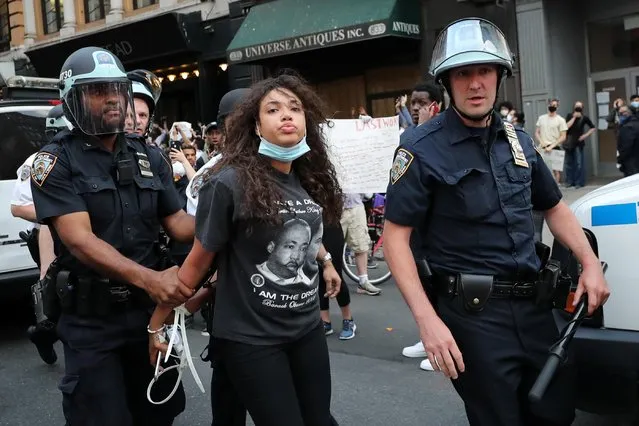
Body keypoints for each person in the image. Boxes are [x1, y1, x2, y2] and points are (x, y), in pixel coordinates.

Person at [383, 18, 610, 426]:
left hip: (537, 309)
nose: (475, 84)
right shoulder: (420, 148)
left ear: (499, 76)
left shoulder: (520, 142)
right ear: (447, 82)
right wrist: (427, 321)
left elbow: (555, 207)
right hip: (474, 318)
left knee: (555, 413)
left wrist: (590, 263)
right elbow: (396, 238)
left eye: (484, 71)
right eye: (463, 73)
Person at [148, 72, 343, 426]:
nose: (287, 115)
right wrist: (157, 324)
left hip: (306, 330)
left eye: (295, 108)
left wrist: (327, 262)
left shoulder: (309, 177)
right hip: (251, 340)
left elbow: (308, 238)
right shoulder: (227, 184)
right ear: (254, 126)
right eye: (273, 109)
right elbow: (194, 266)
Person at [30, 46, 194, 425]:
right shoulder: (53, 162)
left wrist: (223, 210)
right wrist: (152, 280)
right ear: (73, 101)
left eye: (116, 90)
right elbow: (80, 241)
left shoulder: (149, 155)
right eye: (97, 91)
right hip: (92, 323)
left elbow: (179, 223)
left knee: (158, 413)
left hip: (150, 315)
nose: (111, 101)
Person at [11, 104, 71, 365]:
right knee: (54, 300)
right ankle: (43, 334)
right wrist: (57, 213)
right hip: (51, 236)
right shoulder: (37, 162)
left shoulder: (86, 157)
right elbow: (18, 207)